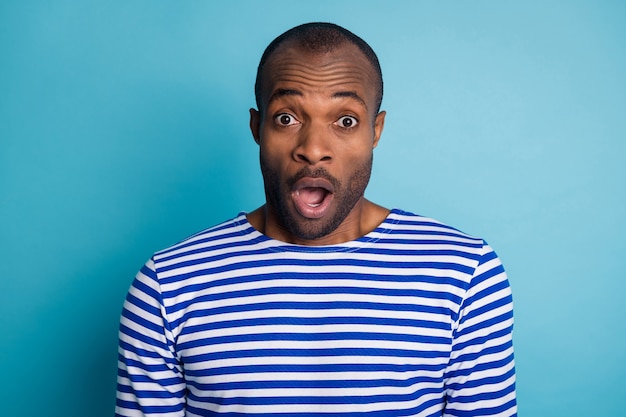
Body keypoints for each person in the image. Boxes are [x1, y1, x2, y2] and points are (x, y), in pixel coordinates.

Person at [115, 22, 517, 417]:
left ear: (375, 131)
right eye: (287, 118)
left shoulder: (464, 275)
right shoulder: (167, 287)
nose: (313, 149)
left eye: (345, 120)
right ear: (257, 127)